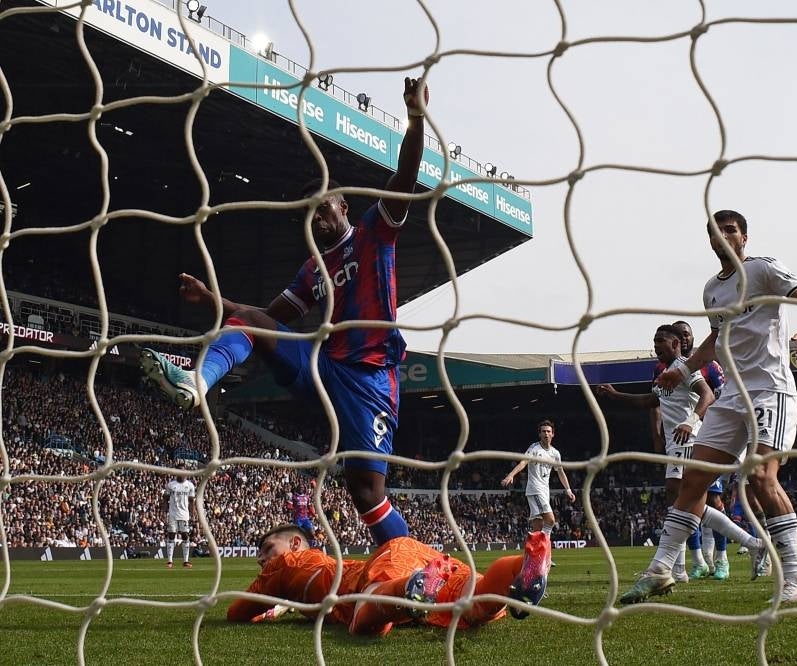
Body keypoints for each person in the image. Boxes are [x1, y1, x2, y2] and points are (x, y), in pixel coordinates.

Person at [140, 76, 429, 547]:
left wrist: (415, 119)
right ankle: (199, 381)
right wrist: (215, 302)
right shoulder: (312, 270)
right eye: (309, 214)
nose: (316, 219)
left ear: (343, 208)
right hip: (326, 369)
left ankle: (411, 561)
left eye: (323, 210)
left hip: (371, 378)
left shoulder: (374, 233)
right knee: (251, 322)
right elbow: (265, 317)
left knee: (366, 491)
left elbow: (405, 176)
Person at [627, 209, 797, 606]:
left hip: (771, 389)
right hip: (733, 394)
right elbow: (715, 341)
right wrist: (681, 370)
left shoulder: (765, 270)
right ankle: (662, 569)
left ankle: (796, 578)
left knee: (760, 478)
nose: (722, 235)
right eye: (715, 231)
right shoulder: (711, 291)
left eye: (730, 229)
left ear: (743, 237)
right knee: (693, 480)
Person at [596, 325, 761, 591]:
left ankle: (679, 566)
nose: (656, 345)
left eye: (661, 340)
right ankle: (748, 545)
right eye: (654, 341)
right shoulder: (663, 372)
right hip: (676, 443)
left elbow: (707, 394)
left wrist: (691, 420)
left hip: (690, 439)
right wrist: (615, 395)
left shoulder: (686, 366)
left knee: (679, 497)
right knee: (685, 502)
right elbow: (651, 401)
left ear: (676, 344)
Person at [226, 524, 552, 632]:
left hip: (388, 566)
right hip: (424, 558)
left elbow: (237, 612)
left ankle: (407, 591)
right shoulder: (309, 571)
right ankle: (520, 568)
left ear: (295, 543)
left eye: (268, 548)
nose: (261, 558)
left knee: (365, 616)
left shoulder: (290, 562)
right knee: (475, 602)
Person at [672, 319, 734, 580]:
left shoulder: (710, 365)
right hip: (678, 443)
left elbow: (724, 395)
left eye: (687, 335)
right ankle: (699, 560)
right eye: (679, 336)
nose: (684, 339)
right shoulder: (667, 368)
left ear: (693, 337)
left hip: (708, 439)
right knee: (686, 499)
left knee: (714, 500)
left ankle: (722, 559)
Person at [501, 420, 576, 545]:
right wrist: (511, 474)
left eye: (548, 431)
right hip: (535, 489)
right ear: (539, 434)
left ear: (553, 434)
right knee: (551, 521)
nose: (546, 434)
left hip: (544, 491)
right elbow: (523, 462)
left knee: (537, 528)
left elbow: (560, 471)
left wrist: (568, 489)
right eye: (543, 431)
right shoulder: (534, 448)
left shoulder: (555, 453)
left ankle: (534, 557)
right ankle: (544, 550)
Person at [163, 474, 196, 569]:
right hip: (173, 514)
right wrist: (164, 511)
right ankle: (170, 561)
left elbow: (191, 501)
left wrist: (192, 513)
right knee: (171, 535)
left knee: (185, 535)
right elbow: (165, 498)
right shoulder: (171, 485)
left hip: (184, 514)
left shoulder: (190, 485)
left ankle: (186, 561)